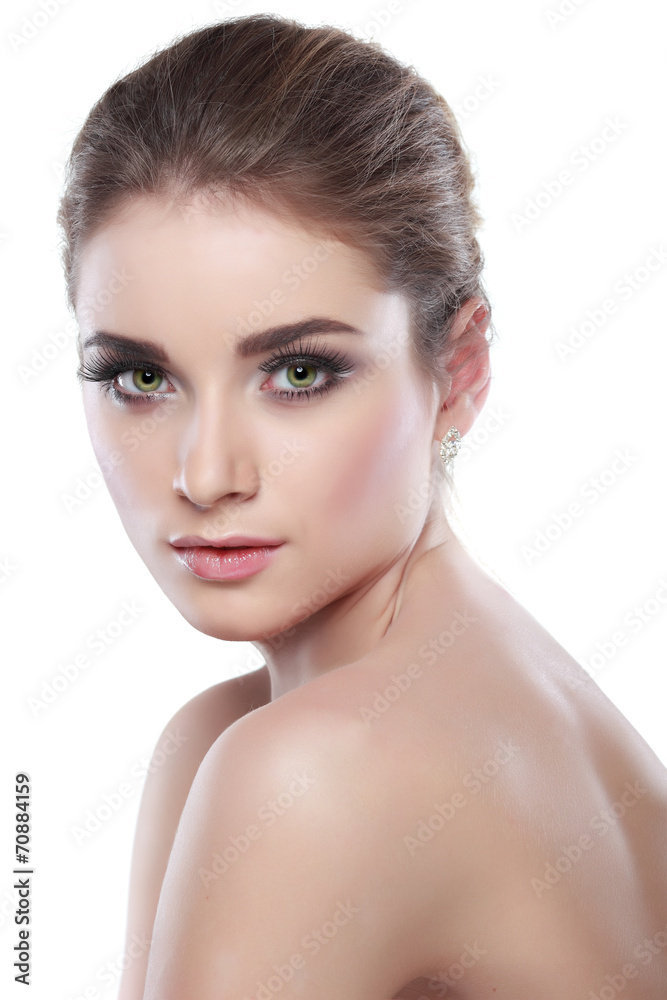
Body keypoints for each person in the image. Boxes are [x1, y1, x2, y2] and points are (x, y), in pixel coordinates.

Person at [57, 13, 667, 1000]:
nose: (206, 474)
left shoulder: (318, 771)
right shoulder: (497, 700)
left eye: (298, 372)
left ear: (458, 369)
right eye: (140, 377)